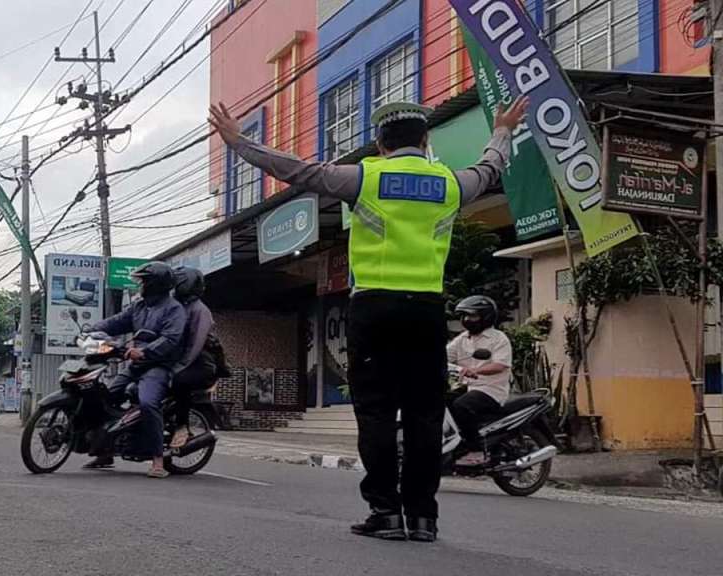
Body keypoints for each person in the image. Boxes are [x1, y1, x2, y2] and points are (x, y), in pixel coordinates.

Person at [209, 96, 528, 542]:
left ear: (380, 144)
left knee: (376, 414)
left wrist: (239, 143)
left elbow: (296, 170)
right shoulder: (451, 184)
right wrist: (502, 129)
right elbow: (490, 168)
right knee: (424, 416)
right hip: (426, 311)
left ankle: (385, 513)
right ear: (426, 140)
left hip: (374, 310)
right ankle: (423, 518)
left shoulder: (365, 178)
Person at [86, 261, 186, 478]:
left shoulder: (174, 309)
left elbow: (171, 339)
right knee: (107, 396)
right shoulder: (140, 307)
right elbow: (116, 322)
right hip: (136, 365)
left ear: (155, 284)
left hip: (158, 367)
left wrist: (145, 352)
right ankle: (106, 450)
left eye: (143, 281)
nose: (140, 284)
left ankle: (158, 459)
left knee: (148, 402)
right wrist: (92, 329)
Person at [446, 296, 512, 445]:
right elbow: (443, 355)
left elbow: (500, 365)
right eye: (465, 315)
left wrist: (475, 370)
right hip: (470, 388)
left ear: (485, 316)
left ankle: (475, 449)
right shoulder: (463, 338)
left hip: (491, 391)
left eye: (472, 316)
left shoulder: (498, 338)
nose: (467, 319)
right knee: (439, 399)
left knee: (461, 406)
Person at [169, 266, 217, 449]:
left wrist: (180, 365)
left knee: (178, 380)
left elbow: (196, 344)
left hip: (200, 364)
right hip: (183, 361)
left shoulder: (199, 310)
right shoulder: (180, 306)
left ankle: (182, 426)